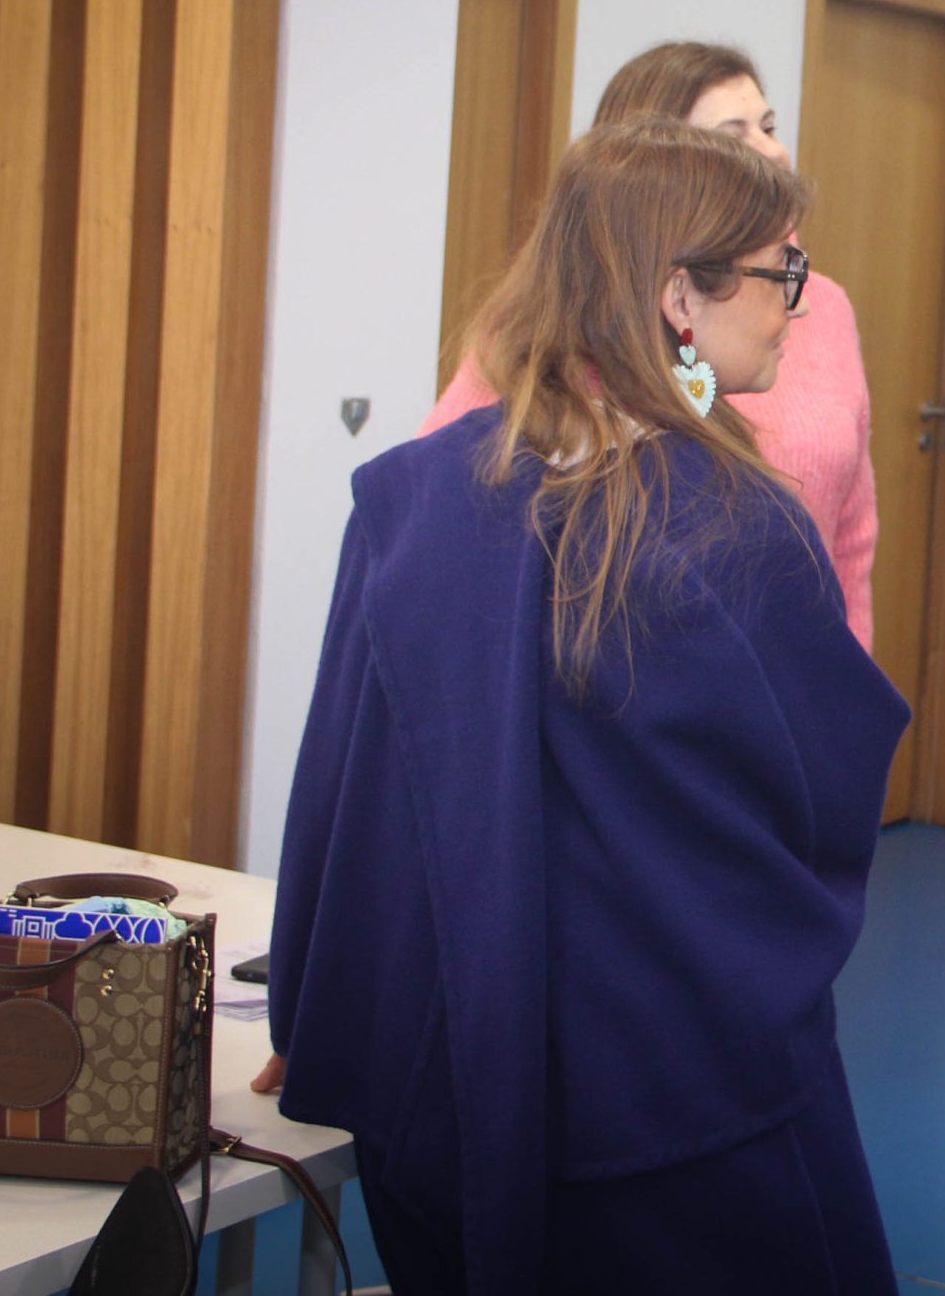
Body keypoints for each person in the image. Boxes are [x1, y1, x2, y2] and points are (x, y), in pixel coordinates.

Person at [266, 119, 910, 1294]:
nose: (797, 306)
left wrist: (314, 1008)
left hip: (443, 1079)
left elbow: (341, 787)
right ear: (680, 295)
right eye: (781, 272)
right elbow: (823, 792)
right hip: (676, 1091)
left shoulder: (409, 501)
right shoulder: (740, 525)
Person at [425, 40, 879, 651]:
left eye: (769, 127)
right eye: (731, 138)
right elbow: (448, 514)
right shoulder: (547, 334)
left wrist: (846, 682)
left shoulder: (825, 304)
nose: (771, 151)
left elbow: (851, 535)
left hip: (792, 664)